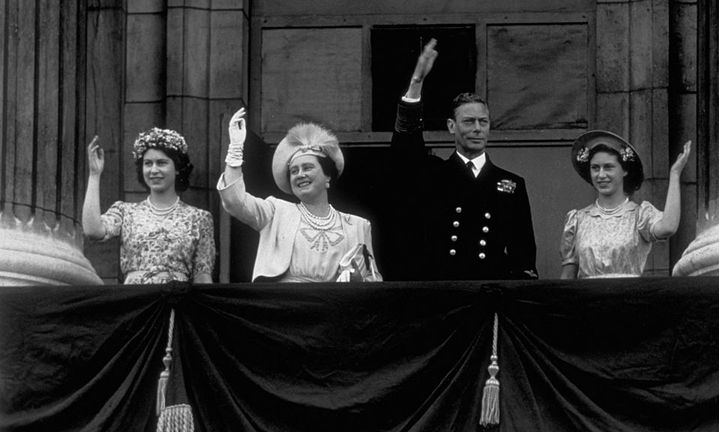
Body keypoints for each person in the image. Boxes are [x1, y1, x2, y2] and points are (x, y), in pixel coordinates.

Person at [390, 39, 538, 280]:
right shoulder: (433, 174)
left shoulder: (510, 183)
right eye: (469, 122)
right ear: (452, 126)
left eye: (483, 122)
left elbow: (523, 254)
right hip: (444, 292)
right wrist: (416, 83)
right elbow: (406, 149)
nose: (477, 128)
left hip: (489, 292)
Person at [217, 108, 382, 283]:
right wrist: (235, 151)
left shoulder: (357, 226)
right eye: (294, 171)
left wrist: (357, 279)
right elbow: (235, 202)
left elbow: (373, 283)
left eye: (308, 167)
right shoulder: (275, 212)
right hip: (286, 304)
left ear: (327, 177)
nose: (300, 174)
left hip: (334, 306)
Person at [82, 129, 215, 284]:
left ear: (178, 168)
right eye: (148, 163)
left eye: (162, 163)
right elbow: (92, 230)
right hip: (136, 302)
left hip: (176, 302)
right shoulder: (125, 212)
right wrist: (94, 174)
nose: (154, 170)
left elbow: (202, 276)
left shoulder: (199, 218)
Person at [560, 130, 692, 279]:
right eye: (595, 168)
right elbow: (567, 278)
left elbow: (668, 227)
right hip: (587, 300)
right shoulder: (577, 220)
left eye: (608, 167)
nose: (601, 175)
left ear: (624, 171)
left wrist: (675, 174)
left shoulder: (640, 215)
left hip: (628, 297)